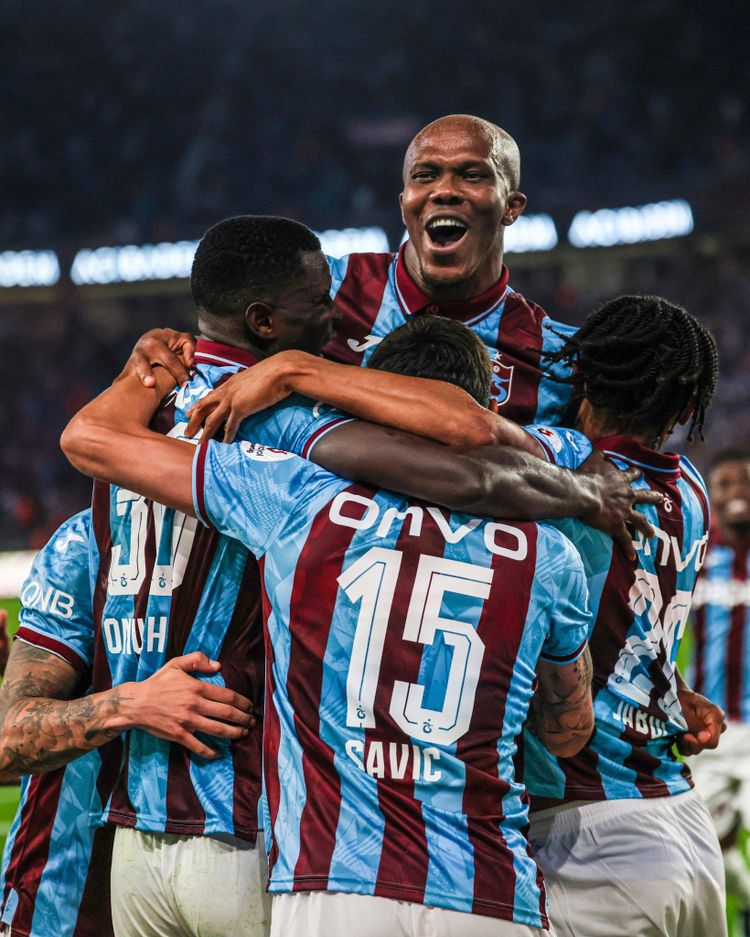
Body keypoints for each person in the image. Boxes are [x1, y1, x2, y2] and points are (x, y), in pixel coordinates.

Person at [29, 214, 647, 937]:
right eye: (318, 301)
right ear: (263, 320)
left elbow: (83, 437)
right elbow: (461, 454)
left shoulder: (131, 422)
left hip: (137, 826)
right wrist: (580, 491)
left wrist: (136, 372)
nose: (336, 317)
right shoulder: (286, 427)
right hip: (251, 820)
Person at [188, 296, 726, 936]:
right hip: (682, 819)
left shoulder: (568, 464)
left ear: (580, 380)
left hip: (587, 828)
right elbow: (629, 621)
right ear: (688, 410)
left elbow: (463, 430)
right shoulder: (693, 492)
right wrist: (672, 687)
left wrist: (294, 373)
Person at [0, 513, 251, 937]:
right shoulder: (84, 543)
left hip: (226, 880)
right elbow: (9, 743)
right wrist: (133, 703)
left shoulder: (259, 531)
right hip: (64, 904)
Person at [690, 448, 750, 933]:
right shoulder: (697, 560)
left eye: (745, 482)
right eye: (725, 484)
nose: (737, 492)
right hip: (711, 732)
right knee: (703, 843)